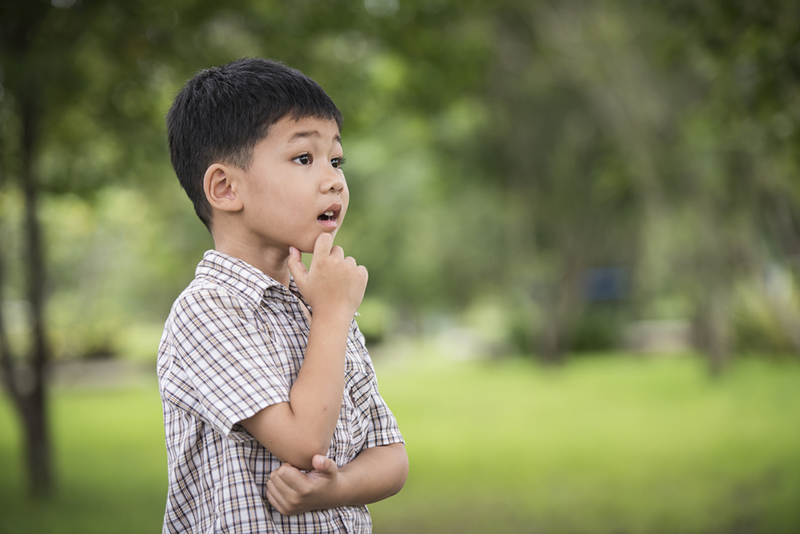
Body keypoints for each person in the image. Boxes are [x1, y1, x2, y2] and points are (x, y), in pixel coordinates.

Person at [157, 58, 408, 533]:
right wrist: (332, 315)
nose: (334, 179)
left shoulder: (318, 303)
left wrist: (338, 488)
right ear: (226, 188)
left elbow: (392, 456)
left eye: (336, 160)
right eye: (303, 158)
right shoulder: (208, 308)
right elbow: (302, 442)